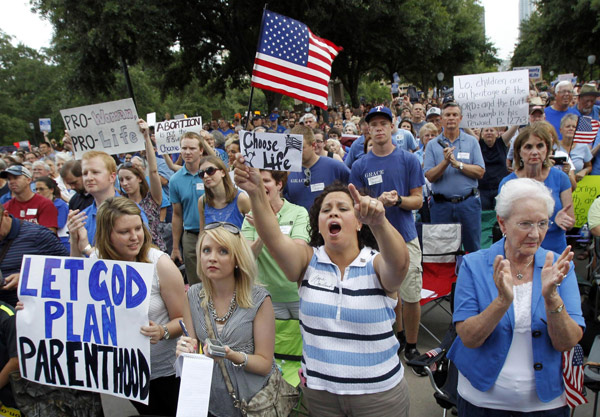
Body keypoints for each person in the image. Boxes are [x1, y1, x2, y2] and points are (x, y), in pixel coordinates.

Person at [235, 155, 411, 416]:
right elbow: (273, 237)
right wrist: (256, 193)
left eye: (343, 208)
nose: (334, 213)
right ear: (318, 222)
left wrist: (380, 223)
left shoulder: (375, 264)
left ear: (359, 221)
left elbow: (399, 266)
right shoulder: (307, 260)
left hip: (378, 397)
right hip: (320, 397)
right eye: (326, 210)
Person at [448, 178, 584, 416]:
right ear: (502, 223)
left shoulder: (561, 266)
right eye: (525, 224)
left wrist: (552, 298)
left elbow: (567, 342)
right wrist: (501, 302)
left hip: (546, 404)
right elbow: (468, 338)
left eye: (542, 223)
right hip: (482, 402)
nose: (535, 233)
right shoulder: (474, 265)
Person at [69, 197, 187, 416]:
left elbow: (183, 320)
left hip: (167, 372)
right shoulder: (97, 262)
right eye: (124, 232)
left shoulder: (160, 264)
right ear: (107, 235)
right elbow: (72, 298)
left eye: (138, 228)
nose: (135, 237)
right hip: (127, 375)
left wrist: (163, 331)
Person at [350, 105, 426, 374]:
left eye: (384, 123)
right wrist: (371, 203)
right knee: (384, 294)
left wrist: (400, 200)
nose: (379, 128)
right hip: (372, 242)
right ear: (367, 130)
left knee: (411, 293)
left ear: (393, 127)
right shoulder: (359, 165)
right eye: (374, 124)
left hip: (405, 236)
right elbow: (355, 204)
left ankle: (413, 346)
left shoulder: (408, 160)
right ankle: (395, 338)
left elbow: (418, 198)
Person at [176, 222, 276, 417]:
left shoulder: (259, 299)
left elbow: (265, 365)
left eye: (223, 251)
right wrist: (183, 351)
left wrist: (231, 355)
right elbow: (191, 348)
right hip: (210, 400)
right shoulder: (193, 295)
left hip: (253, 401)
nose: (212, 258)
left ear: (237, 259)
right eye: (206, 250)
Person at [242, 170, 309, 319]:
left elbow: (298, 251)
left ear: (279, 184)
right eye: (257, 181)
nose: (260, 186)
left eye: (265, 181)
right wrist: (262, 232)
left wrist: (270, 226)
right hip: (266, 296)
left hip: (296, 294)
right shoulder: (251, 216)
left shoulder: (299, 212)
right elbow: (248, 256)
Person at [499, 122, 575, 254]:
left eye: (540, 146)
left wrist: (562, 221)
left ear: (547, 149)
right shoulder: (508, 183)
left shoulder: (561, 178)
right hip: (520, 253)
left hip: (555, 251)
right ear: (519, 152)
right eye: (528, 147)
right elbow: (503, 223)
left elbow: (571, 220)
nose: (534, 152)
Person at [424, 102, 485, 253]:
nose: (451, 118)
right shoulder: (432, 145)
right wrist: (445, 163)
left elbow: (480, 172)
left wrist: (459, 165)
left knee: (473, 250)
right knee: (443, 253)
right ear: (441, 119)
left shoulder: (471, 142)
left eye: (454, 115)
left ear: (460, 118)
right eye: (447, 115)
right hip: (441, 206)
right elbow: (430, 176)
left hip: (468, 204)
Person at [169, 132, 214, 285]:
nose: (187, 152)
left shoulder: (211, 173)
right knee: (196, 283)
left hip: (214, 232)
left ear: (201, 150)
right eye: (184, 148)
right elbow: (176, 214)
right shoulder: (175, 180)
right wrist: (175, 247)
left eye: (192, 148)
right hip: (190, 236)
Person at [0, 204, 68, 307]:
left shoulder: (38, 235)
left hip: (26, 311)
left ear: (5, 215)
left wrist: (27, 278)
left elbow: (67, 269)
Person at [118, 120, 166, 251]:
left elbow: (153, 170)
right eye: (121, 180)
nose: (125, 183)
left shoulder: (152, 199)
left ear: (139, 178)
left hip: (154, 251)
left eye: (128, 178)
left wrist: (146, 138)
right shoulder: (120, 204)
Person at [284, 125, 350, 212]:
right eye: (293, 149)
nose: (296, 152)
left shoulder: (334, 166)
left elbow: (354, 190)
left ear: (313, 145)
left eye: (301, 148)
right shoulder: (287, 173)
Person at [198, 155, 250, 233]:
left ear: (222, 172)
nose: (205, 176)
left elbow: (254, 230)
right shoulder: (202, 201)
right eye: (201, 173)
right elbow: (202, 232)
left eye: (210, 171)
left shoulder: (241, 199)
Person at [1, 165, 58, 232]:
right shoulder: (6, 207)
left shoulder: (45, 204)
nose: (11, 181)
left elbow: (49, 235)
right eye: (9, 179)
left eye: (15, 177)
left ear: (28, 180)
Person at [478, 126, 517, 210]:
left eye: (491, 130)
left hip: (500, 189)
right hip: (483, 190)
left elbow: (513, 129)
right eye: (486, 130)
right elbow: (467, 129)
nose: (489, 132)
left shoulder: (501, 143)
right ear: (481, 134)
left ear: (497, 134)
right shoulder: (478, 144)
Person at [34, 176, 69, 251]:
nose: (38, 192)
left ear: (51, 190)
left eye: (41, 189)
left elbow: (59, 224)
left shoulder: (60, 205)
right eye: (36, 189)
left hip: (60, 242)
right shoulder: (36, 205)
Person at [556, 114, 592, 182]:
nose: (571, 128)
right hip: (558, 182)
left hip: (578, 186)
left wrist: (584, 171)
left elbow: (589, 166)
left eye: (574, 127)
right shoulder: (553, 146)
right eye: (568, 126)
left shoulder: (584, 147)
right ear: (561, 130)